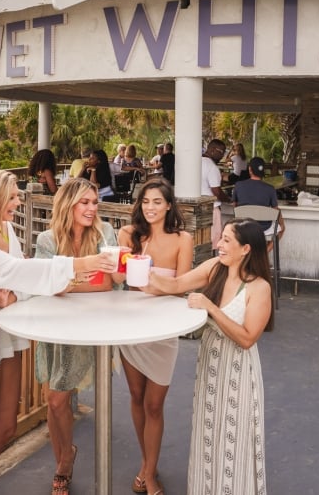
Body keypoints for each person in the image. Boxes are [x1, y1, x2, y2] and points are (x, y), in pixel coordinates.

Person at [0, 169, 116, 495]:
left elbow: (22, 280)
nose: (18, 202)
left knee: (4, 429)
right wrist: (82, 264)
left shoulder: (6, 230)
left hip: (5, 336)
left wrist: (15, 295)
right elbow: (16, 270)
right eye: (13, 196)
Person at [144, 219, 273, 495]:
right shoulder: (216, 269)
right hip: (211, 367)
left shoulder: (259, 288)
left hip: (238, 372)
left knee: (235, 440)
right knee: (208, 433)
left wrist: (210, 307)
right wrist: (143, 275)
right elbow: (177, 283)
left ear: (246, 249)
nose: (219, 245)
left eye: (227, 240)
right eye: (221, 238)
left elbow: (248, 338)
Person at [33, 177, 119, 495]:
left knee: (57, 398)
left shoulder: (104, 233)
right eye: (84, 202)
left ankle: (63, 466)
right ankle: (65, 455)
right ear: (67, 204)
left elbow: (107, 284)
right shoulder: (46, 239)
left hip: (88, 323)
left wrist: (67, 279)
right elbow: (46, 284)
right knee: (53, 402)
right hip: (53, 324)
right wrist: (78, 277)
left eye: (94, 202)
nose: (91, 208)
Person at [116, 178, 194, 495]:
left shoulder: (182, 239)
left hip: (162, 327)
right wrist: (116, 266)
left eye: (157, 202)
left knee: (154, 405)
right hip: (130, 325)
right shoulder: (128, 235)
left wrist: (153, 282)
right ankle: (148, 464)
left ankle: (148, 473)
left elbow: (185, 285)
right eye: (146, 202)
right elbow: (119, 279)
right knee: (136, 397)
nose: (150, 208)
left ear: (169, 206)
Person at [232, 156, 285, 240]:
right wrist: (282, 224)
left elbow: (234, 205)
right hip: (264, 228)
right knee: (281, 229)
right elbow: (276, 209)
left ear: (250, 169)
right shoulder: (270, 188)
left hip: (243, 226)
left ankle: (251, 251)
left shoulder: (238, 185)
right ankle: (265, 252)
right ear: (263, 171)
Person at [201, 139, 232, 248]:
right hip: (211, 209)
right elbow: (216, 192)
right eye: (222, 152)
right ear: (213, 150)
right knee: (214, 242)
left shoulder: (195, 163)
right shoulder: (211, 167)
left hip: (198, 208)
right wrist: (228, 199)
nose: (222, 156)